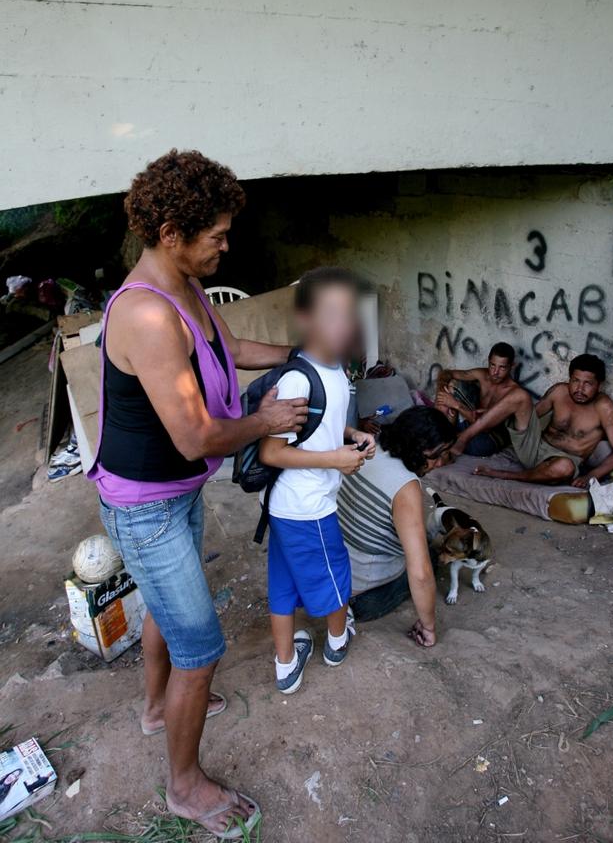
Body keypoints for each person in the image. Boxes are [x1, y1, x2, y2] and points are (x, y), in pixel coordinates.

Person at [90, 149, 310, 838]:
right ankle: (183, 786)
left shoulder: (184, 286)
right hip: (145, 506)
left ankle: (157, 708)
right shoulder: (148, 315)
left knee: (165, 610)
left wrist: (300, 354)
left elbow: (227, 346)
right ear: (170, 234)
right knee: (200, 646)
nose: (225, 244)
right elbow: (196, 437)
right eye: (214, 234)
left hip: (172, 495)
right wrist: (268, 419)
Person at [259, 267, 376, 694]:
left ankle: (286, 664)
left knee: (286, 582)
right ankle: (337, 642)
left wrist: (352, 436)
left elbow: (316, 425)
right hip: (306, 506)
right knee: (335, 575)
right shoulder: (297, 376)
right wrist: (336, 460)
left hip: (290, 506)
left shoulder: (337, 371)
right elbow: (271, 450)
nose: (344, 325)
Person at [338, 407, 456, 648]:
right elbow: (420, 573)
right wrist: (429, 627)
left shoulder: (370, 448)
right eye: (438, 454)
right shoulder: (406, 487)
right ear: (418, 449)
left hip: (332, 575)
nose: (441, 462)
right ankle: (349, 612)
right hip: (363, 598)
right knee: (430, 558)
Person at [454, 353, 613, 488]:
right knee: (520, 396)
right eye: (575, 381)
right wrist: (496, 412)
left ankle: (502, 474)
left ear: (599, 385)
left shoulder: (604, 408)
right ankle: (464, 437)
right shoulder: (560, 391)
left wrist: (591, 476)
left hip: (563, 459)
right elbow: (532, 414)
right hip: (534, 447)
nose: (579, 389)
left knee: (565, 468)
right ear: (569, 378)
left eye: (588, 384)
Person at [434, 342, 524, 457]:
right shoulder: (482, 374)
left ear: (512, 366)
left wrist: (456, 405)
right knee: (451, 385)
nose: (495, 372)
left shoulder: (513, 393)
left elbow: (485, 426)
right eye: (492, 365)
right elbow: (446, 374)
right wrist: (443, 394)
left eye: (502, 367)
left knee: (444, 442)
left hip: (488, 439)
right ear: (488, 361)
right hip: (469, 422)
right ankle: (442, 434)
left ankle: (444, 439)